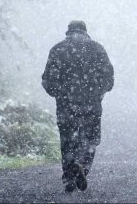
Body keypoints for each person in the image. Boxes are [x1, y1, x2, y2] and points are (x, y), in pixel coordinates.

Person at [41, 20, 114, 192]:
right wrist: (98, 91)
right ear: (85, 31)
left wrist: (61, 94)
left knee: (67, 141)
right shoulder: (97, 49)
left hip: (66, 105)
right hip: (92, 104)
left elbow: (48, 80)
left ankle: (69, 176)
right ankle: (82, 165)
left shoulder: (58, 49)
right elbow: (109, 79)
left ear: (68, 32)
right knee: (89, 139)